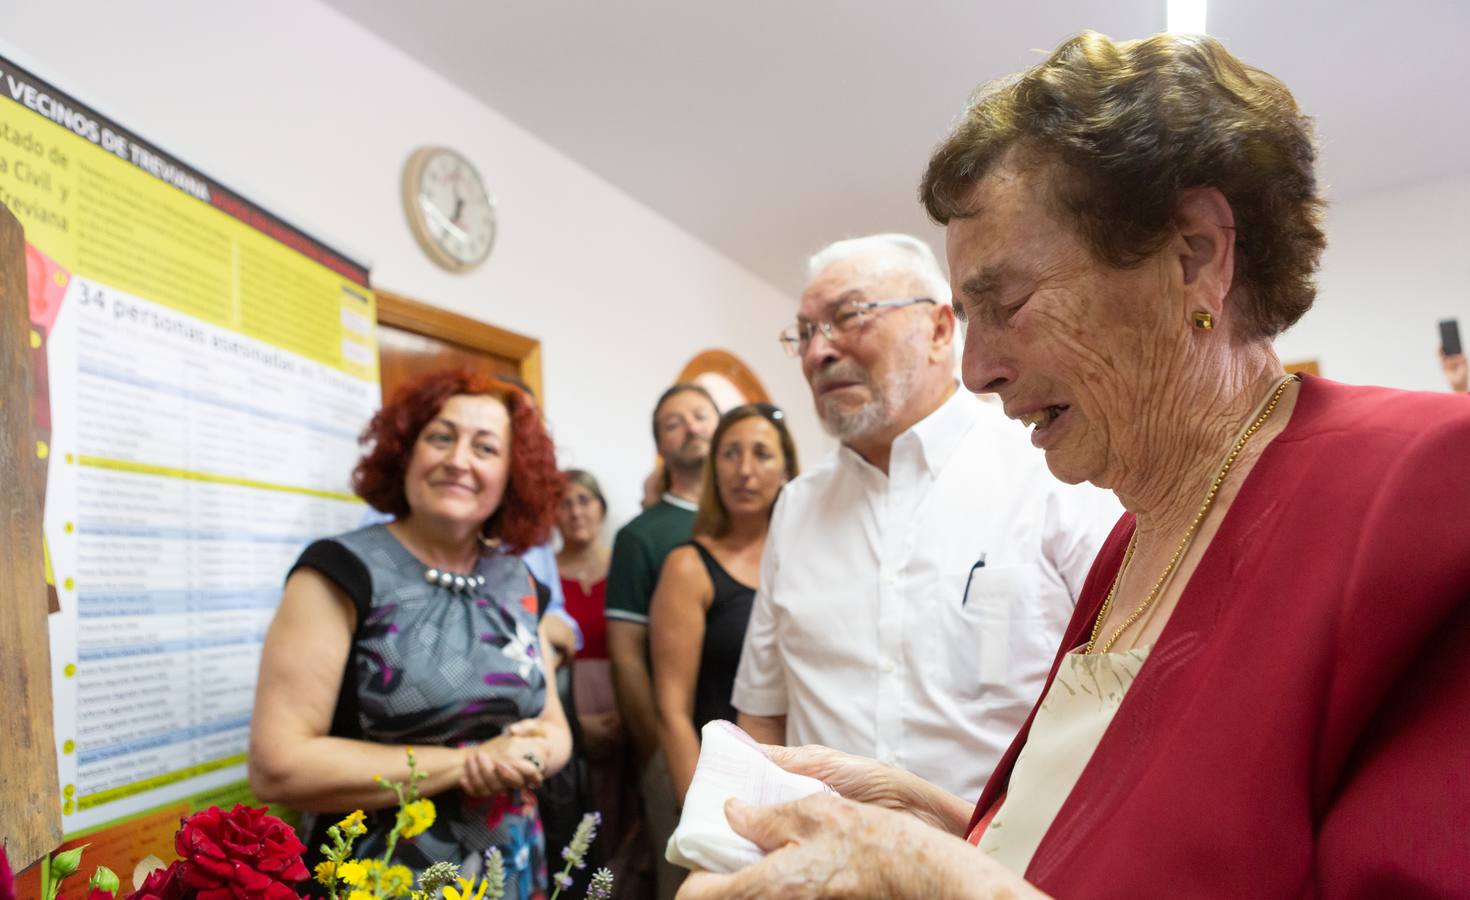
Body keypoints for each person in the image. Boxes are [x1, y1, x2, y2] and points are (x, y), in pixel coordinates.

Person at [681, 32, 1470, 899]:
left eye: (1007, 304)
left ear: (1194, 255)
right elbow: (1128, 853)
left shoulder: (1421, 486)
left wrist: (933, 880)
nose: (977, 371)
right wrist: (932, 824)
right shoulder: (1134, 537)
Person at [731, 232, 1120, 802]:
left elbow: (1129, 701)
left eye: (849, 317)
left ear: (940, 330)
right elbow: (762, 714)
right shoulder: (796, 507)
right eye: (807, 332)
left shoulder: (1049, 470)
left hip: (1008, 876)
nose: (819, 353)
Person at [249, 369, 573, 898]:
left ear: (513, 475)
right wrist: (469, 764)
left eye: (486, 448)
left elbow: (553, 728)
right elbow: (277, 766)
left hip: (510, 870)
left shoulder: (522, 581)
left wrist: (533, 754)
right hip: (383, 876)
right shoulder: (339, 571)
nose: (458, 459)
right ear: (406, 452)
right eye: (441, 437)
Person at [651, 404, 799, 804]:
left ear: (787, 468)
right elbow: (672, 712)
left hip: (804, 778)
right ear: (714, 468)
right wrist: (702, 813)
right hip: (721, 784)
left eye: (762, 454)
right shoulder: (688, 567)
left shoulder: (809, 559)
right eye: (730, 453)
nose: (744, 470)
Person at [607, 383, 720, 899]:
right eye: (675, 422)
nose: (692, 427)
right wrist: (654, 750)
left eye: (700, 415)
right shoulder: (641, 536)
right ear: (661, 443)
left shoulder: (760, 515)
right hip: (679, 744)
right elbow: (626, 655)